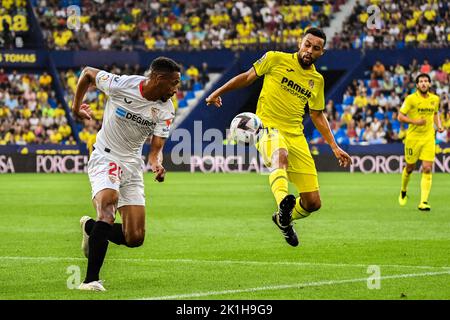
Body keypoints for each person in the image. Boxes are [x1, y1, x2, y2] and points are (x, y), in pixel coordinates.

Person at [205, 28, 352, 247]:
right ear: (300, 43)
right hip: (268, 127)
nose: (309, 50)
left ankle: (283, 219)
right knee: (279, 155)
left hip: (296, 134)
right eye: (307, 44)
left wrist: (334, 146)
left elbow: (317, 114)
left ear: (322, 52)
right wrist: (218, 92)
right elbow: (247, 77)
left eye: (316, 48)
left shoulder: (316, 80)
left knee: (313, 202)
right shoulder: (275, 58)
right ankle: (283, 200)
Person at [71, 57, 181, 291]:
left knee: (135, 237)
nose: (175, 89)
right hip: (106, 155)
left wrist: (156, 164)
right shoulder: (123, 84)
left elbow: (155, 150)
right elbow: (88, 72)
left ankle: (91, 229)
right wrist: (75, 107)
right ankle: (90, 280)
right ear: (159, 79)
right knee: (108, 208)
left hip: (132, 163)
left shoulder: (166, 109)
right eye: (173, 83)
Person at [398, 73, 443, 211]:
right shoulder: (410, 99)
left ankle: (423, 202)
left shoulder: (435, 99)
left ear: (429, 84)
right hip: (413, 138)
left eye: (426, 81)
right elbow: (400, 116)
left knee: (427, 168)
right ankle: (403, 190)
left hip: (429, 137)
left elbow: (435, 114)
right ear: (417, 85)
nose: (423, 83)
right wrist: (415, 121)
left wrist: (439, 126)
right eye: (421, 81)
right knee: (410, 167)